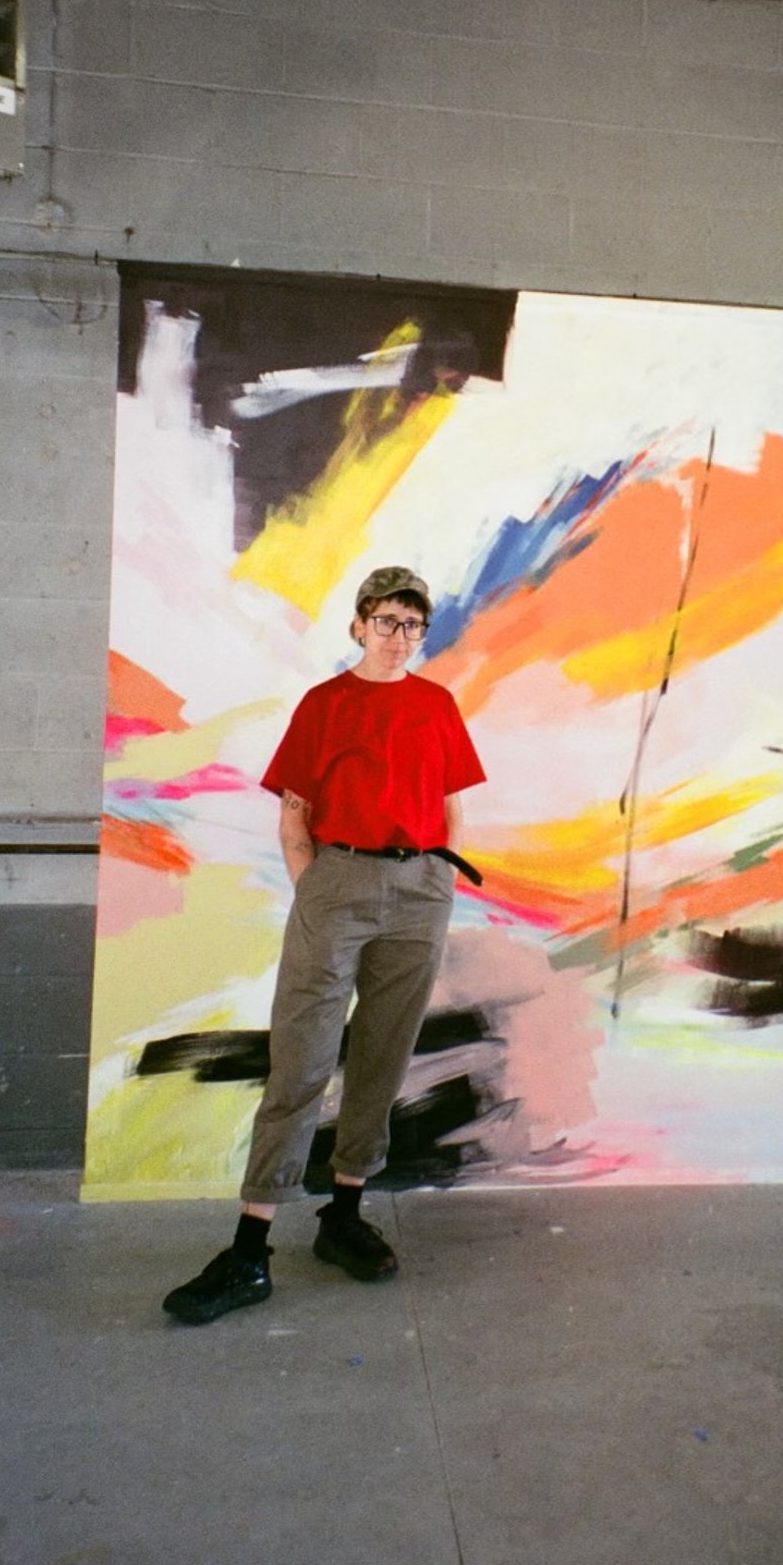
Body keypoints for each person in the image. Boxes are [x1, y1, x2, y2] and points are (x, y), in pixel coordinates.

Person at [163, 565, 485, 1325]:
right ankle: (250, 1249)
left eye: (413, 624)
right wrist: (317, 888)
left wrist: (437, 878)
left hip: (420, 891)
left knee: (383, 1053)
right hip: (337, 883)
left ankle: (344, 1214)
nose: (400, 636)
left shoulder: (436, 705)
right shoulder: (324, 704)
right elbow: (294, 812)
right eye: (387, 621)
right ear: (360, 624)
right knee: (303, 1056)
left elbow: (451, 804)